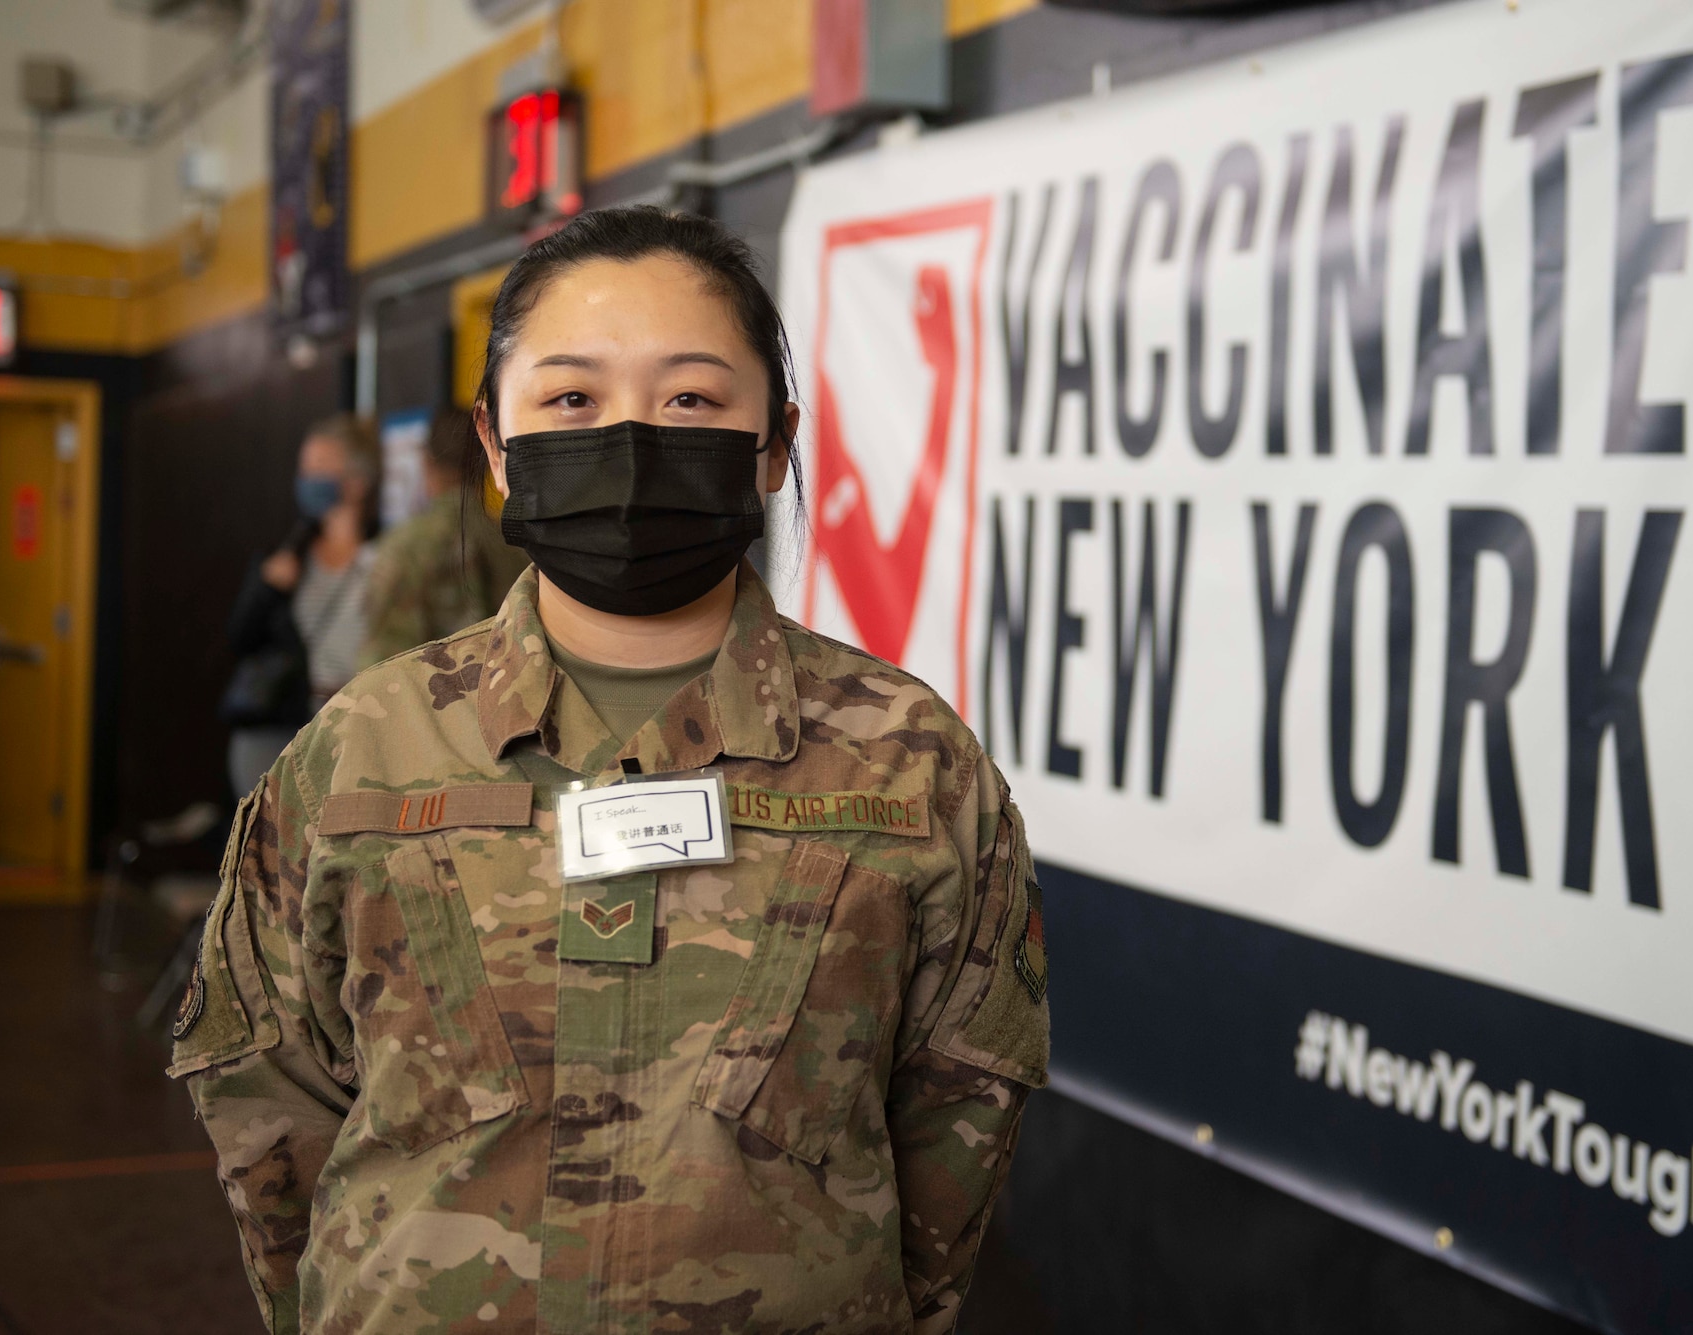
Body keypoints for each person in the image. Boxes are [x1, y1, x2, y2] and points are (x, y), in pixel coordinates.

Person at [170, 206, 1049, 1333]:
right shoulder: (361, 751)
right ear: (495, 444)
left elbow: (955, 1129)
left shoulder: (910, 760)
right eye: (572, 399)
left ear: (774, 443)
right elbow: (269, 1109)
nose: (629, 438)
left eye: (690, 398)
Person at [221, 414, 380, 796]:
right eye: (304, 468)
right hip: (280, 733)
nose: (308, 479)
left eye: (321, 468)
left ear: (357, 481)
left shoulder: (388, 556)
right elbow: (239, 639)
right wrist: (268, 589)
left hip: (360, 730)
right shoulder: (286, 553)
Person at [357, 408, 528, 668]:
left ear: (427, 461)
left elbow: (381, 659)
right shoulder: (518, 545)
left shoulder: (405, 545)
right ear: (487, 462)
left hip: (423, 701)